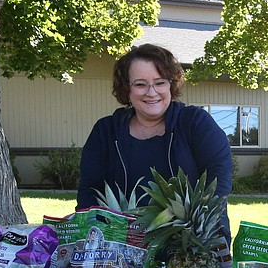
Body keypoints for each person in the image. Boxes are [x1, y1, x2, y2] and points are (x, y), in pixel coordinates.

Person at [76, 43, 233, 243]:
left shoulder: (195, 122)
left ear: (171, 84)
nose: (152, 92)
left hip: (192, 247)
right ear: (127, 89)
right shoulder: (106, 131)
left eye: (160, 82)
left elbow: (219, 180)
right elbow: (89, 191)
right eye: (140, 84)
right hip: (123, 247)